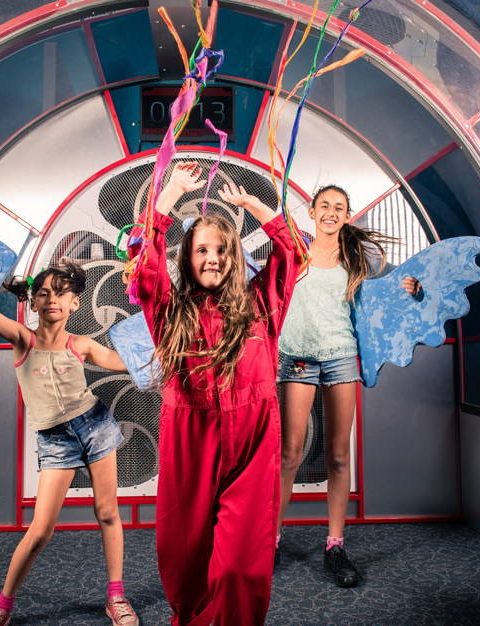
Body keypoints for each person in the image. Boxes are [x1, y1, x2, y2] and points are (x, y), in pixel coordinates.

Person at [0, 243, 139, 626]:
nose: (52, 298)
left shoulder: (80, 344)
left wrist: (164, 335)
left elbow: (124, 361)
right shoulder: (22, 338)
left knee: (107, 512)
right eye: (44, 292)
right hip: (56, 441)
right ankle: (3, 606)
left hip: (96, 426)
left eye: (61, 293)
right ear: (33, 303)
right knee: (39, 532)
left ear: (75, 305)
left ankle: (116, 598)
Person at [131, 162, 302, 625]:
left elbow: (290, 254)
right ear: (187, 257)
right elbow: (143, 267)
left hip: (253, 438)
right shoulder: (170, 311)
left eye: (223, 249)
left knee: (238, 568)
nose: (213, 258)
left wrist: (253, 206)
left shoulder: (262, 302)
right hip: (191, 437)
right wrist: (168, 196)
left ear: (236, 256)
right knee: (184, 560)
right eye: (202, 249)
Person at [275, 184, 420, 588]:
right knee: (290, 453)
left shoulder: (357, 258)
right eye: (325, 206)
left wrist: (407, 287)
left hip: (341, 356)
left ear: (346, 214)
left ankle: (334, 546)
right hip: (298, 356)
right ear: (312, 213)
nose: (331, 212)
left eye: (339, 207)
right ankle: (270, 539)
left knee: (338, 455)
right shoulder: (295, 251)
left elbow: (386, 293)